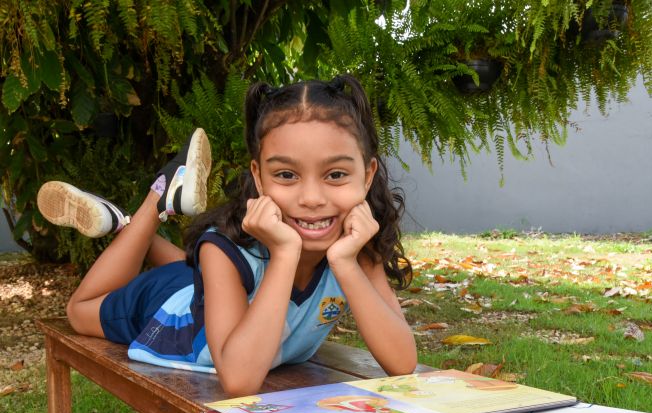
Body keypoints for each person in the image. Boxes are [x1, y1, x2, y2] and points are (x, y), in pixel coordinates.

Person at [36, 75, 418, 396]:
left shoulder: (354, 244)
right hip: (172, 312)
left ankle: (124, 222)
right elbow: (239, 379)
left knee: (213, 267)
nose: (312, 199)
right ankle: (156, 201)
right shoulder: (223, 248)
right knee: (79, 311)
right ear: (258, 176)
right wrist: (285, 255)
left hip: (215, 284)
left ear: (367, 176)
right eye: (286, 175)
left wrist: (346, 263)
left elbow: (402, 362)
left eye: (335, 175)